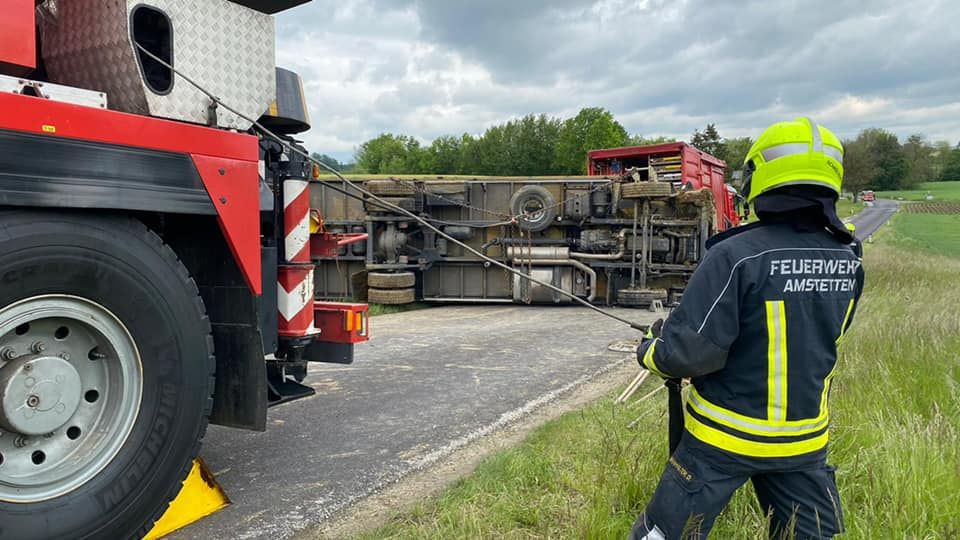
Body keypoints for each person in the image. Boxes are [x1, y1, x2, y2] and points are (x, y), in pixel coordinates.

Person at [630, 118, 864, 540]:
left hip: (721, 443)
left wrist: (650, 349)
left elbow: (688, 354)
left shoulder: (735, 255)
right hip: (803, 444)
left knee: (661, 535)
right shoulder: (850, 258)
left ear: (761, 179)